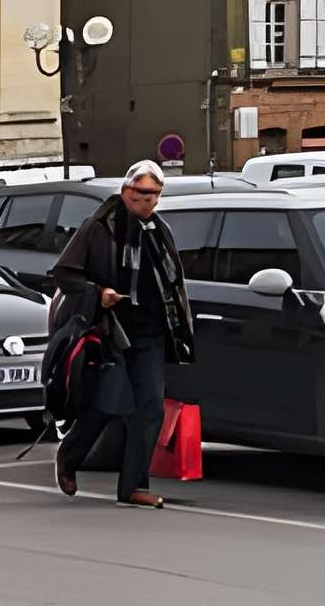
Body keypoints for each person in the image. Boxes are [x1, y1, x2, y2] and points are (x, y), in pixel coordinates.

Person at [51, 160, 197, 506]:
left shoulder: (158, 231)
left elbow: (172, 282)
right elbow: (64, 275)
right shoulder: (99, 228)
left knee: (149, 408)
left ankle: (134, 487)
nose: (148, 202)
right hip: (108, 330)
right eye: (142, 194)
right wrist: (98, 294)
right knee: (106, 403)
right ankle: (69, 457)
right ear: (125, 191)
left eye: (154, 196)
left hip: (149, 332)